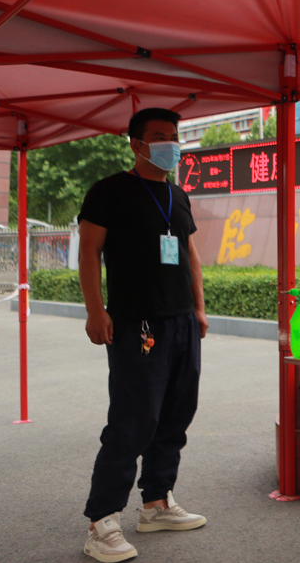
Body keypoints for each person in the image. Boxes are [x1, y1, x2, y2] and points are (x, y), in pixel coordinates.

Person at [79, 108, 208, 563]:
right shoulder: (110, 191)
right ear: (136, 144)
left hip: (181, 323)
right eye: (159, 137)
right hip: (138, 323)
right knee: (134, 419)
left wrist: (199, 308)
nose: (170, 144)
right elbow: (89, 251)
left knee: (176, 414)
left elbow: (190, 253)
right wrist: (96, 310)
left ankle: (156, 502)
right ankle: (103, 520)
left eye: (174, 136)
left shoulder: (178, 194)